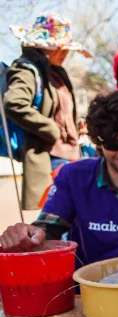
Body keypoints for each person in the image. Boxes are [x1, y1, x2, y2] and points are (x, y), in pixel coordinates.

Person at [0, 91, 118, 268]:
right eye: (114, 144)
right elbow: (49, 227)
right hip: (84, 285)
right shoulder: (72, 176)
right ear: (99, 143)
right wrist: (31, 235)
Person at [4, 13, 91, 209]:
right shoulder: (26, 70)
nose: (65, 53)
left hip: (71, 157)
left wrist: (77, 127)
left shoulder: (56, 72)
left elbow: (61, 112)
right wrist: (51, 129)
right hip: (49, 160)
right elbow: (14, 102)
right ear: (45, 47)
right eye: (60, 48)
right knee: (57, 220)